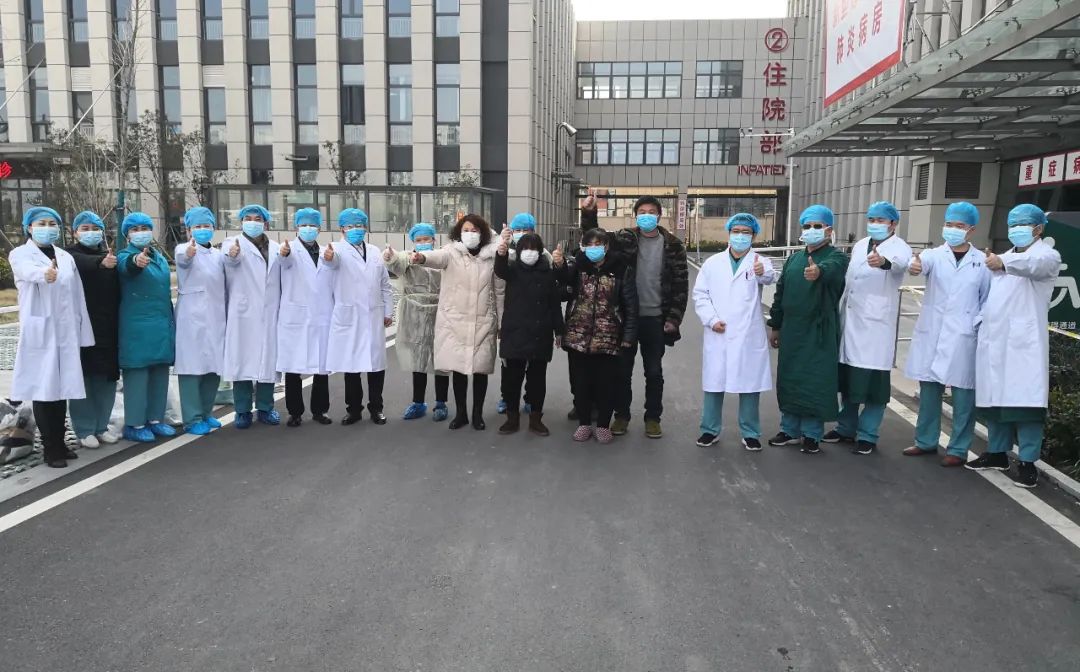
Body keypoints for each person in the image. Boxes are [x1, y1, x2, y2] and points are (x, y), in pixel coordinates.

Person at [966, 203, 1061, 488]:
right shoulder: (1002, 258)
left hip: (1025, 344)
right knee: (996, 400)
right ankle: (997, 453)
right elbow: (994, 296)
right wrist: (981, 321)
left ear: (1038, 229)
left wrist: (1004, 264)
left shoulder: (1047, 256)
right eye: (1012, 225)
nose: (1016, 230)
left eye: (1022, 225)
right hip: (996, 339)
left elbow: (1034, 267)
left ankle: (1028, 462)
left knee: (1026, 404)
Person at [903, 202, 990, 467]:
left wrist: (975, 324)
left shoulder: (982, 261)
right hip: (934, 332)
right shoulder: (933, 255)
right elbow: (918, 265)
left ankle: (958, 448)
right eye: (949, 224)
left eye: (959, 226)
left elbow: (988, 299)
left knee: (963, 396)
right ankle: (925, 441)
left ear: (971, 230)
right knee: (929, 391)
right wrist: (914, 267)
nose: (952, 229)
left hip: (964, 336)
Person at [824, 201, 912, 455]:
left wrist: (883, 262)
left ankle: (868, 435)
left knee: (874, 388)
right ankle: (845, 428)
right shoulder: (861, 244)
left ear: (893, 223)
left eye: (880, 220)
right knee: (849, 381)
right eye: (871, 219)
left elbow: (898, 264)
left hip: (876, 328)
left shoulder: (899, 247)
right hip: (851, 320)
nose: (874, 224)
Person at [9, 207, 94, 468]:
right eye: (41, 223)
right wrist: (44, 275)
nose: (47, 228)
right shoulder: (20, 254)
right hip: (41, 332)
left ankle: (60, 441)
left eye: (52, 223)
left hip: (66, 331)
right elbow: (27, 271)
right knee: (44, 390)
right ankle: (51, 448)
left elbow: (78, 295)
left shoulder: (65, 256)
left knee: (61, 391)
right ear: (29, 228)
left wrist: (83, 330)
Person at [767, 205, 849, 454]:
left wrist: (819, 271)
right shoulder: (794, 259)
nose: (811, 230)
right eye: (807, 226)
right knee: (790, 378)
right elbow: (780, 293)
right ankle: (789, 429)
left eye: (817, 226)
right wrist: (776, 325)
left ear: (829, 230)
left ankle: (812, 434)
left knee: (815, 380)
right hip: (792, 329)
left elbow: (833, 269)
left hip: (819, 330)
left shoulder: (836, 257)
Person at [692, 213, 777, 450]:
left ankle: (751, 432)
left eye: (746, 232)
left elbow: (769, 277)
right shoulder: (713, 263)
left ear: (754, 236)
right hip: (718, 330)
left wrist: (760, 272)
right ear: (729, 233)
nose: (740, 236)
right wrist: (711, 320)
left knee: (749, 385)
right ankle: (709, 430)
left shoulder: (760, 261)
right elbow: (700, 295)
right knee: (714, 383)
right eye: (736, 231)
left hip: (747, 333)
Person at [411, 214, 502, 430]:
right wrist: (421, 258)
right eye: (466, 230)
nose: (470, 234)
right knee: (458, 370)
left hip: (483, 321)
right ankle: (461, 414)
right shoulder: (451, 252)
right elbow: (435, 258)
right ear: (459, 232)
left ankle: (477, 414)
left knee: (480, 370)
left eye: (475, 230)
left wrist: (502, 320)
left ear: (483, 233)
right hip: (455, 321)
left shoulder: (492, 256)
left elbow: (500, 290)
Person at [612, 195, 688, 439]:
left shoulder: (673, 245)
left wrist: (674, 318)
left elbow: (681, 285)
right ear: (635, 215)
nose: (646, 215)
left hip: (656, 319)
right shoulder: (624, 239)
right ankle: (621, 415)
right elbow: (596, 241)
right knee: (622, 371)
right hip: (626, 319)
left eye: (651, 212)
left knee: (654, 372)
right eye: (642, 212)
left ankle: (653, 418)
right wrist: (590, 214)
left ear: (659, 215)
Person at [557, 228, 638, 444]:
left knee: (606, 384)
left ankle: (603, 425)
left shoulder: (621, 269)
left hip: (609, 336)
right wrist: (559, 266)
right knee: (581, 383)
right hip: (578, 335)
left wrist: (628, 336)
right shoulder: (577, 267)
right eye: (589, 244)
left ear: (607, 246)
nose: (594, 248)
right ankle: (584, 423)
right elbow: (562, 290)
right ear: (583, 247)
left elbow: (631, 305)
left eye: (598, 244)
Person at [323, 208, 394, 426]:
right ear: (341, 229)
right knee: (351, 367)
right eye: (350, 226)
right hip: (350, 316)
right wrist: (329, 258)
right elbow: (331, 261)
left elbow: (385, 284)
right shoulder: (335, 249)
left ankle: (376, 408)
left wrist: (388, 311)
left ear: (365, 228)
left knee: (376, 367)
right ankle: (354, 410)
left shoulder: (374, 251)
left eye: (359, 226)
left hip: (373, 315)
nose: (355, 230)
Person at [494, 228, 564, 436]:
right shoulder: (512, 270)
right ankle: (512, 418)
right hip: (514, 332)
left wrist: (559, 331)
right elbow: (500, 270)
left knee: (537, 381)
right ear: (519, 250)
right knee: (511, 380)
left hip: (540, 333)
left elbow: (554, 304)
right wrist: (501, 252)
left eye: (534, 249)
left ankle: (536, 418)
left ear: (541, 252)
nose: (529, 252)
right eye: (525, 248)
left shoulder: (548, 274)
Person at [117, 212, 176, 443]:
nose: (141, 233)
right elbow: (128, 267)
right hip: (137, 328)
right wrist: (136, 262)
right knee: (138, 377)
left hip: (160, 325)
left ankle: (155, 419)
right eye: (135, 229)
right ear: (127, 235)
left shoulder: (158, 257)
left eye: (145, 228)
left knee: (159, 374)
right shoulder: (126, 256)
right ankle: (135, 423)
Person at [223, 204, 283, 429]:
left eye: (258, 219)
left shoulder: (276, 248)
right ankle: (242, 411)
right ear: (241, 222)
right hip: (243, 313)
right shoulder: (232, 244)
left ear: (266, 223)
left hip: (270, 311)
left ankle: (266, 407)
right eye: (248, 218)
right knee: (242, 361)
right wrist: (232, 255)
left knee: (268, 361)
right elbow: (230, 260)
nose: (253, 222)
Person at [66, 210, 121, 448]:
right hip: (82, 327)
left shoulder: (109, 256)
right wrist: (100, 263)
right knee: (85, 378)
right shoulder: (70, 255)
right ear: (75, 232)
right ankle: (85, 428)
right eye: (85, 229)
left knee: (106, 378)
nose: (91, 233)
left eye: (95, 228)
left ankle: (101, 426)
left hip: (108, 326)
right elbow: (81, 262)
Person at [384, 222, 449, 421]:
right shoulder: (408, 258)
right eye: (418, 240)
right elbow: (397, 264)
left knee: (441, 361)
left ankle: (441, 403)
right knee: (418, 360)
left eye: (426, 239)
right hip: (415, 316)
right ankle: (418, 403)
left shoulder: (441, 257)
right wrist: (390, 257)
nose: (423, 242)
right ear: (413, 242)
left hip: (440, 314)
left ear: (433, 239)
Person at [277, 208, 333, 427]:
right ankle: (295, 412)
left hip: (321, 315)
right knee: (294, 366)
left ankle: (320, 410)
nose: (308, 228)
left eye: (312, 225)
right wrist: (283, 253)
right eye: (304, 225)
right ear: (297, 227)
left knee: (321, 366)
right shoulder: (289, 250)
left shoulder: (327, 252)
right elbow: (284, 261)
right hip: (296, 316)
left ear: (319, 228)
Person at [174, 206, 227, 435]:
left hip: (216, 317)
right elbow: (183, 259)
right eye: (197, 226)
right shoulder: (183, 249)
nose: (202, 230)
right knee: (192, 369)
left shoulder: (218, 255)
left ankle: (206, 412)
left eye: (206, 226)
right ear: (189, 230)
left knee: (213, 368)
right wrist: (189, 254)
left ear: (213, 228)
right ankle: (192, 418)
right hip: (191, 319)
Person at [496, 211, 551, 416]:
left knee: (534, 365)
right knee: (509, 363)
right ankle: (506, 398)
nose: (521, 233)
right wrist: (501, 244)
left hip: (534, 318)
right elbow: (499, 271)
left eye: (525, 230)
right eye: (517, 230)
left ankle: (530, 399)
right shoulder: (505, 251)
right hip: (510, 314)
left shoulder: (542, 254)